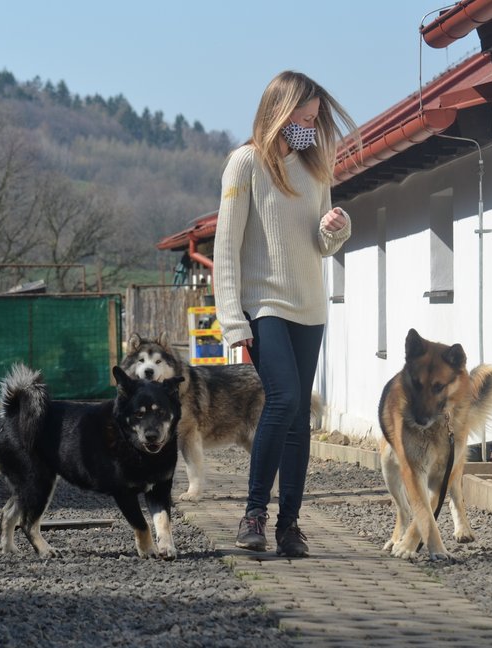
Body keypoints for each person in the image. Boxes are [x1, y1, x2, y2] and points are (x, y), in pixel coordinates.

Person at [211, 70, 358, 557]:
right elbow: (226, 248)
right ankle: (253, 513)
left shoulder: (316, 167)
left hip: (310, 307)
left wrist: (337, 226)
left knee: (298, 418)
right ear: (279, 112)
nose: (311, 127)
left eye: (316, 119)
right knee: (284, 399)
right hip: (264, 306)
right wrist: (232, 319)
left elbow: (322, 243)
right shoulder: (245, 164)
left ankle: (289, 526)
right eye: (303, 117)